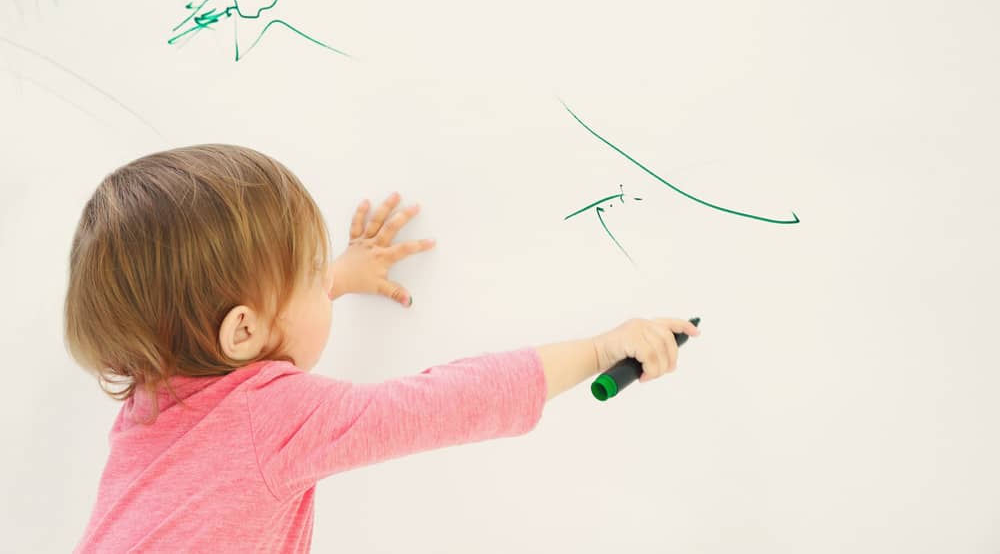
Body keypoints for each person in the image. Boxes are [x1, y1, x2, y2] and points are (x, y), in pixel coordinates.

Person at [65, 144, 700, 552]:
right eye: (314, 274)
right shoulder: (271, 416)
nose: (326, 281)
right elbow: (444, 403)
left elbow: (242, 328)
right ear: (242, 332)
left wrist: (338, 274)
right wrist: (597, 349)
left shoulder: (152, 392)